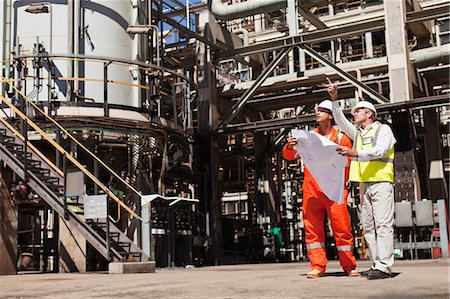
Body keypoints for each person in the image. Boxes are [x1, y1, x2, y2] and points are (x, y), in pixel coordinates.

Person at [327, 77, 396, 280]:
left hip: (382, 182)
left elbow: (381, 150)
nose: (354, 113)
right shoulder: (357, 133)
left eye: (357, 111)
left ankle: (385, 266)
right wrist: (334, 99)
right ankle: (377, 263)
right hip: (365, 185)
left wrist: (356, 154)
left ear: (369, 113)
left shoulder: (383, 130)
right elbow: (340, 120)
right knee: (368, 226)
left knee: (383, 224)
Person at [282, 99, 358, 278]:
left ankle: (349, 265)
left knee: (342, 227)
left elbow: (348, 163)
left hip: (334, 190)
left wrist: (343, 184)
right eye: (317, 110)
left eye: (322, 111)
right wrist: (289, 146)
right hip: (312, 189)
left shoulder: (341, 138)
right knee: (312, 229)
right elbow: (290, 156)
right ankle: (318, 266)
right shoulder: (308, 138)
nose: (317, 113)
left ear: (331, 116)